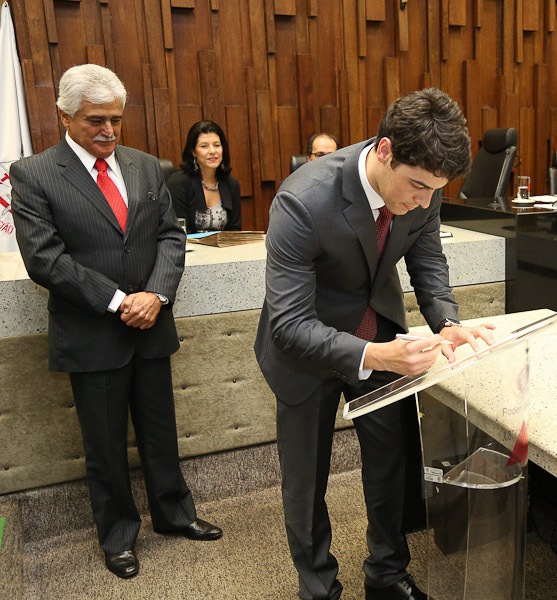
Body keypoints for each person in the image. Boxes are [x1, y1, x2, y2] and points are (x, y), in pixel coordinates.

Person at [254, 88, 496, 600]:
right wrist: (373, 354)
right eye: (418, 187)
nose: (424, 201)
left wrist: (447, 321)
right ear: (385, 151)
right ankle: (318, 588)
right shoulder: (303, 200)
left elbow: (427, 260)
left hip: (380, 331)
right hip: (305, 349)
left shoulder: (424, 187)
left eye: (435, 191)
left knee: (390, 465)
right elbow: (288, 324)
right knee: (306, 481)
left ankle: (386, 575)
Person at [10, 64, 222, 580]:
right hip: (93, 332)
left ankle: (175, 514)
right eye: (95, 120)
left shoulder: (146, 166)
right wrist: (118, 300)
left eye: (116, 120)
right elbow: (44, 258)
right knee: (104, 446)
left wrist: (157, 294)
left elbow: (170, 236)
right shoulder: (34, 174)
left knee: (161, 434)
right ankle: (118, 536)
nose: (108, 131)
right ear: (64, 116)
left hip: (151, 325)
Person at [167, 120, 242, 233]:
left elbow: (235, 230)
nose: (212, 151)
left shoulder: (231, 184)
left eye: (217, 145)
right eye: (204, 146)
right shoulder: (178, 183)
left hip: (224, 244)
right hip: (189, 244)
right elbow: (178, 230)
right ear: (193, 151)